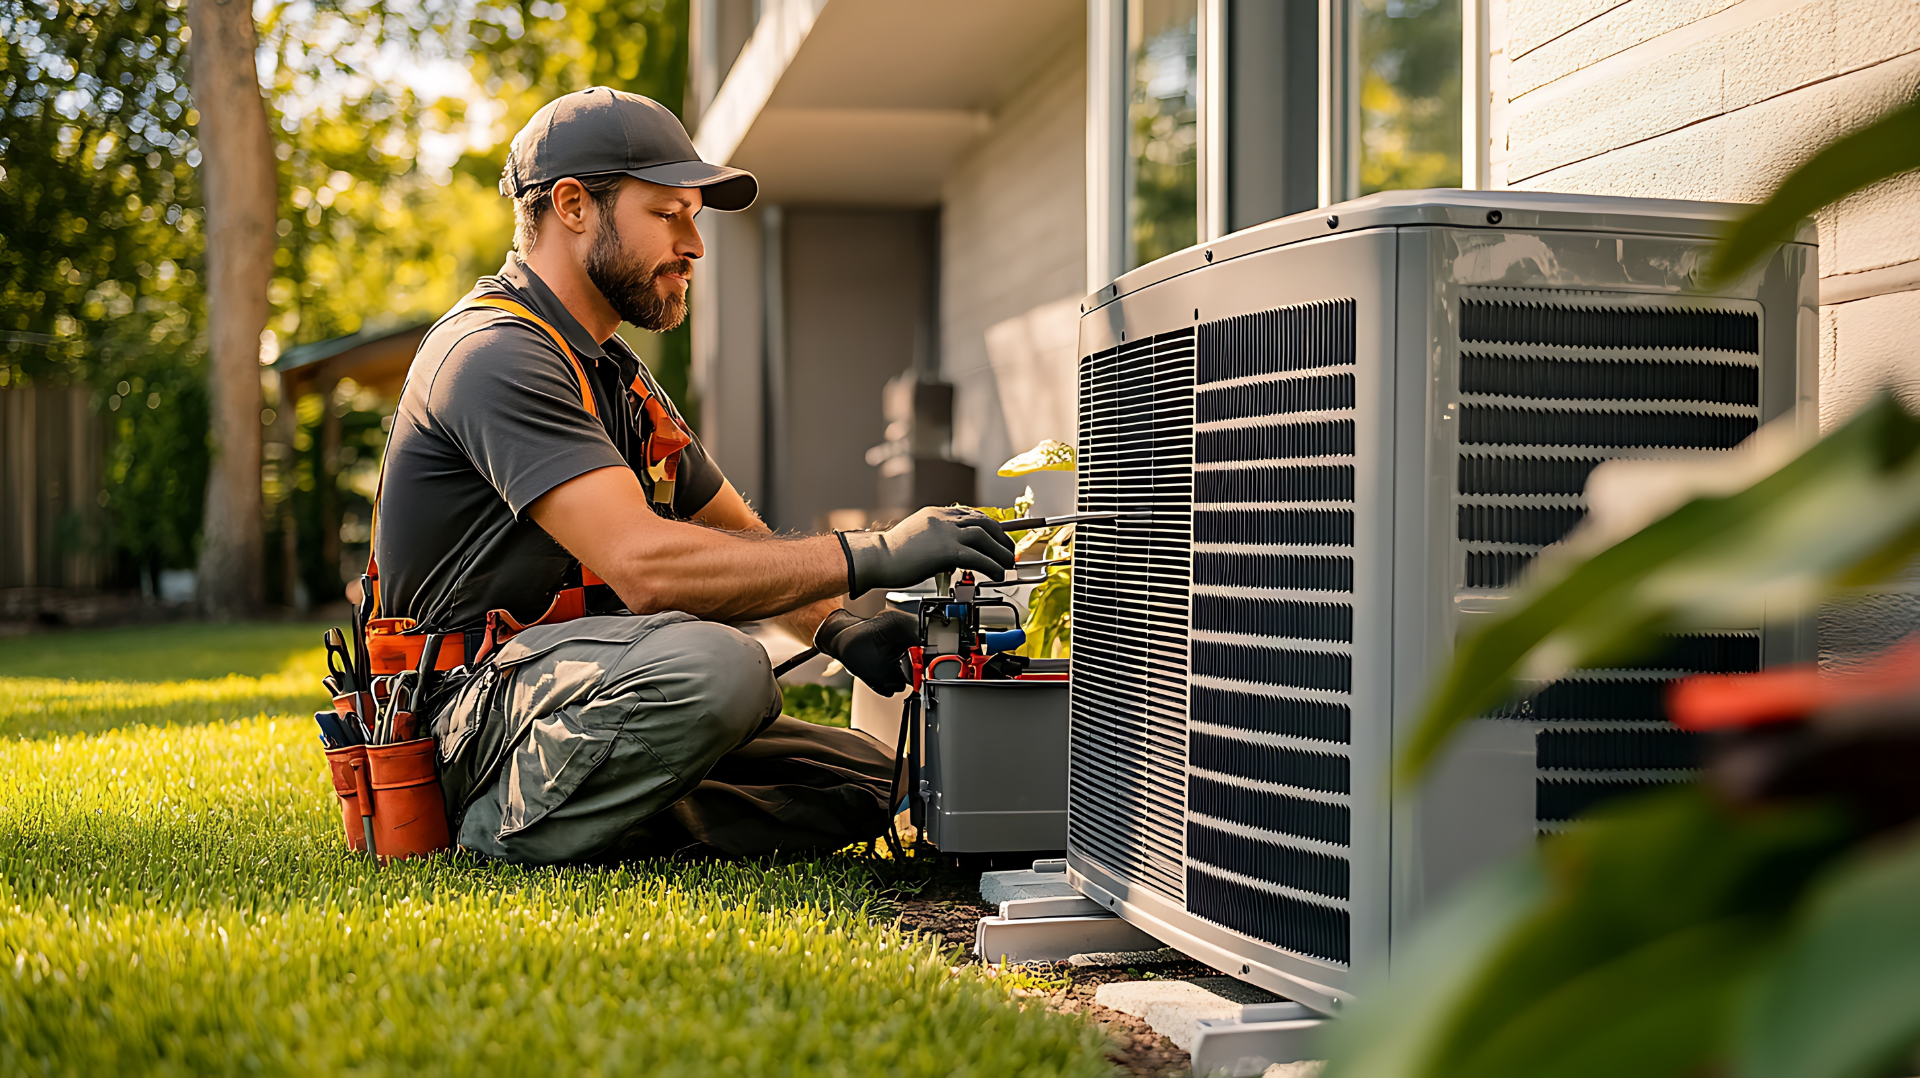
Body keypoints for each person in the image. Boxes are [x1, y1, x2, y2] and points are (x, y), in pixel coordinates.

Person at [373, 87, 1016, 864]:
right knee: (722, 669)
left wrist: (841, 628)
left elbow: (732, 538)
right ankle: (486, 833)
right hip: (461, 719)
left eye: (694, 217)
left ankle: (621, 819)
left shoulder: (614, 374)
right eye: (668, 213)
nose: (695, 245)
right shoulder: (494, 354)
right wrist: (876, 550)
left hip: (580, 696)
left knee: (883, 784)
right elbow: (645, 564)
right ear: (573, 205)